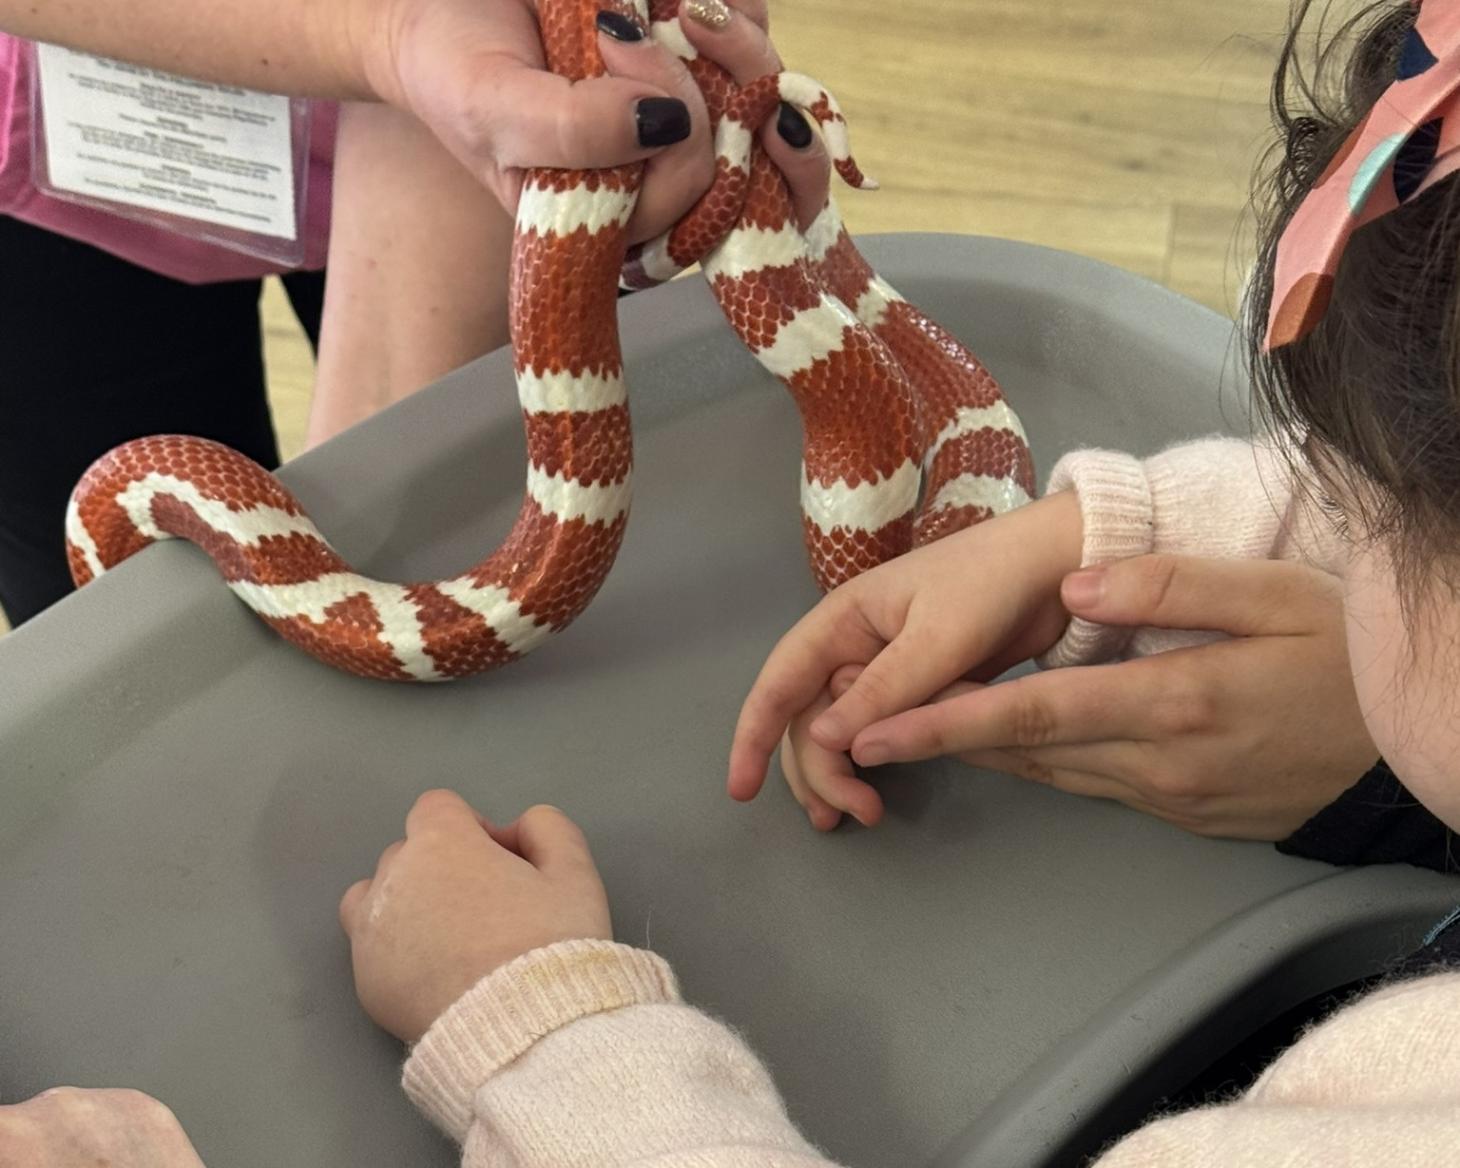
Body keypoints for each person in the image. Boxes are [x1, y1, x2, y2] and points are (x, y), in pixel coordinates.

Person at [0, 0, 738, 627]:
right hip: (68, 138)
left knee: (425, 542)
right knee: (100, 624)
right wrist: (386, 32)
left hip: (455, 141)